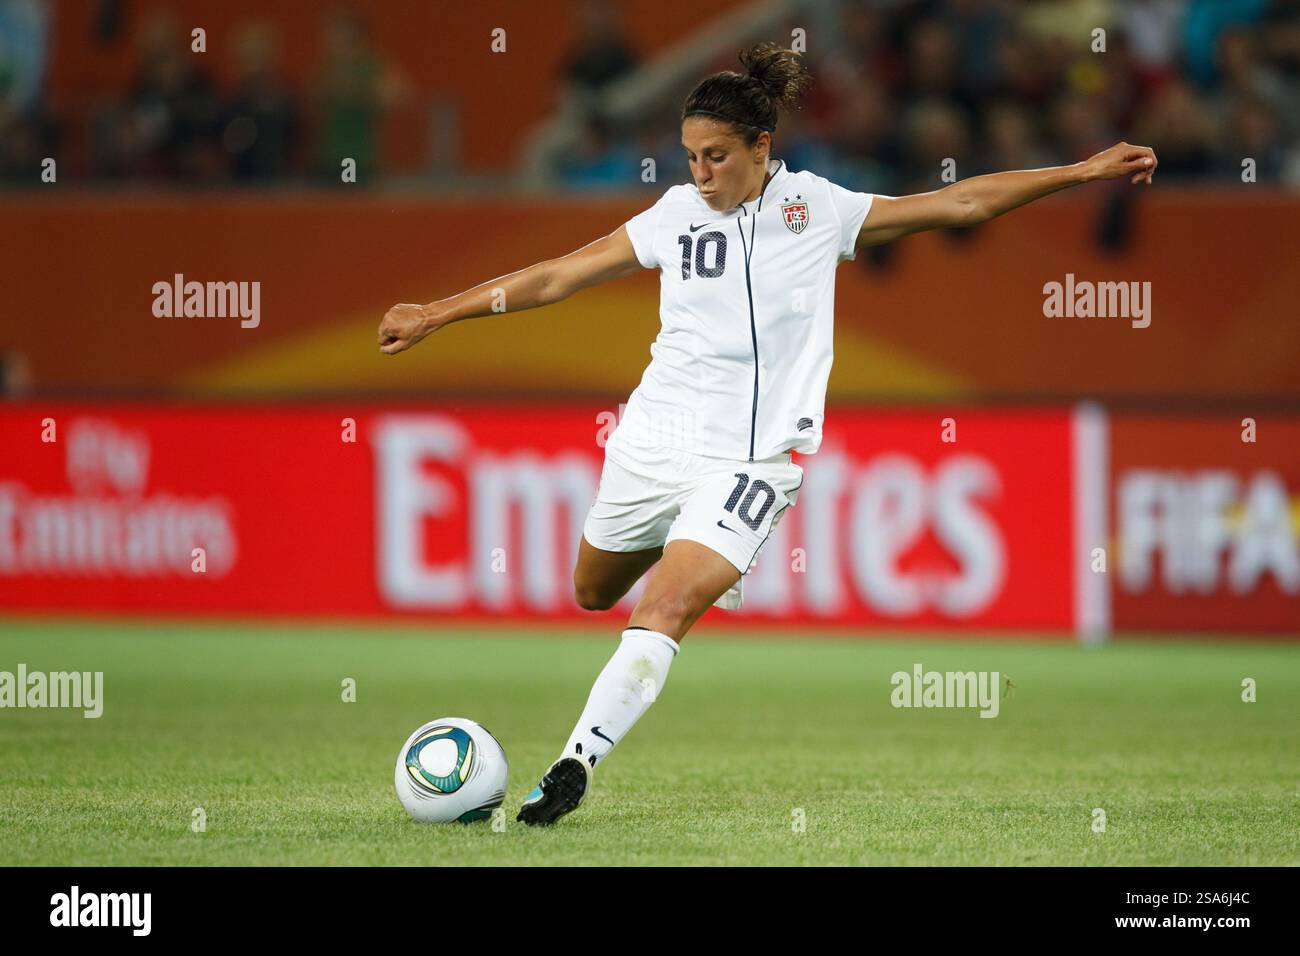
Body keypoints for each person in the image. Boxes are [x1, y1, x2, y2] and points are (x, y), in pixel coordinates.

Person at [376, 42, 1157, 826]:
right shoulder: (672, 216)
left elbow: (958, 204)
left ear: (761, 147)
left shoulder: (817, 208)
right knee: (592, 591)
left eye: (716, 156)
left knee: (667, 604)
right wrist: (437, 313)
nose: (701, 173)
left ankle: (575, 762)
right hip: (653, 439)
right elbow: (555, 276)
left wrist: (1078, 174)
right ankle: (684, 540)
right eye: (689, 157)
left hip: (753, 460)